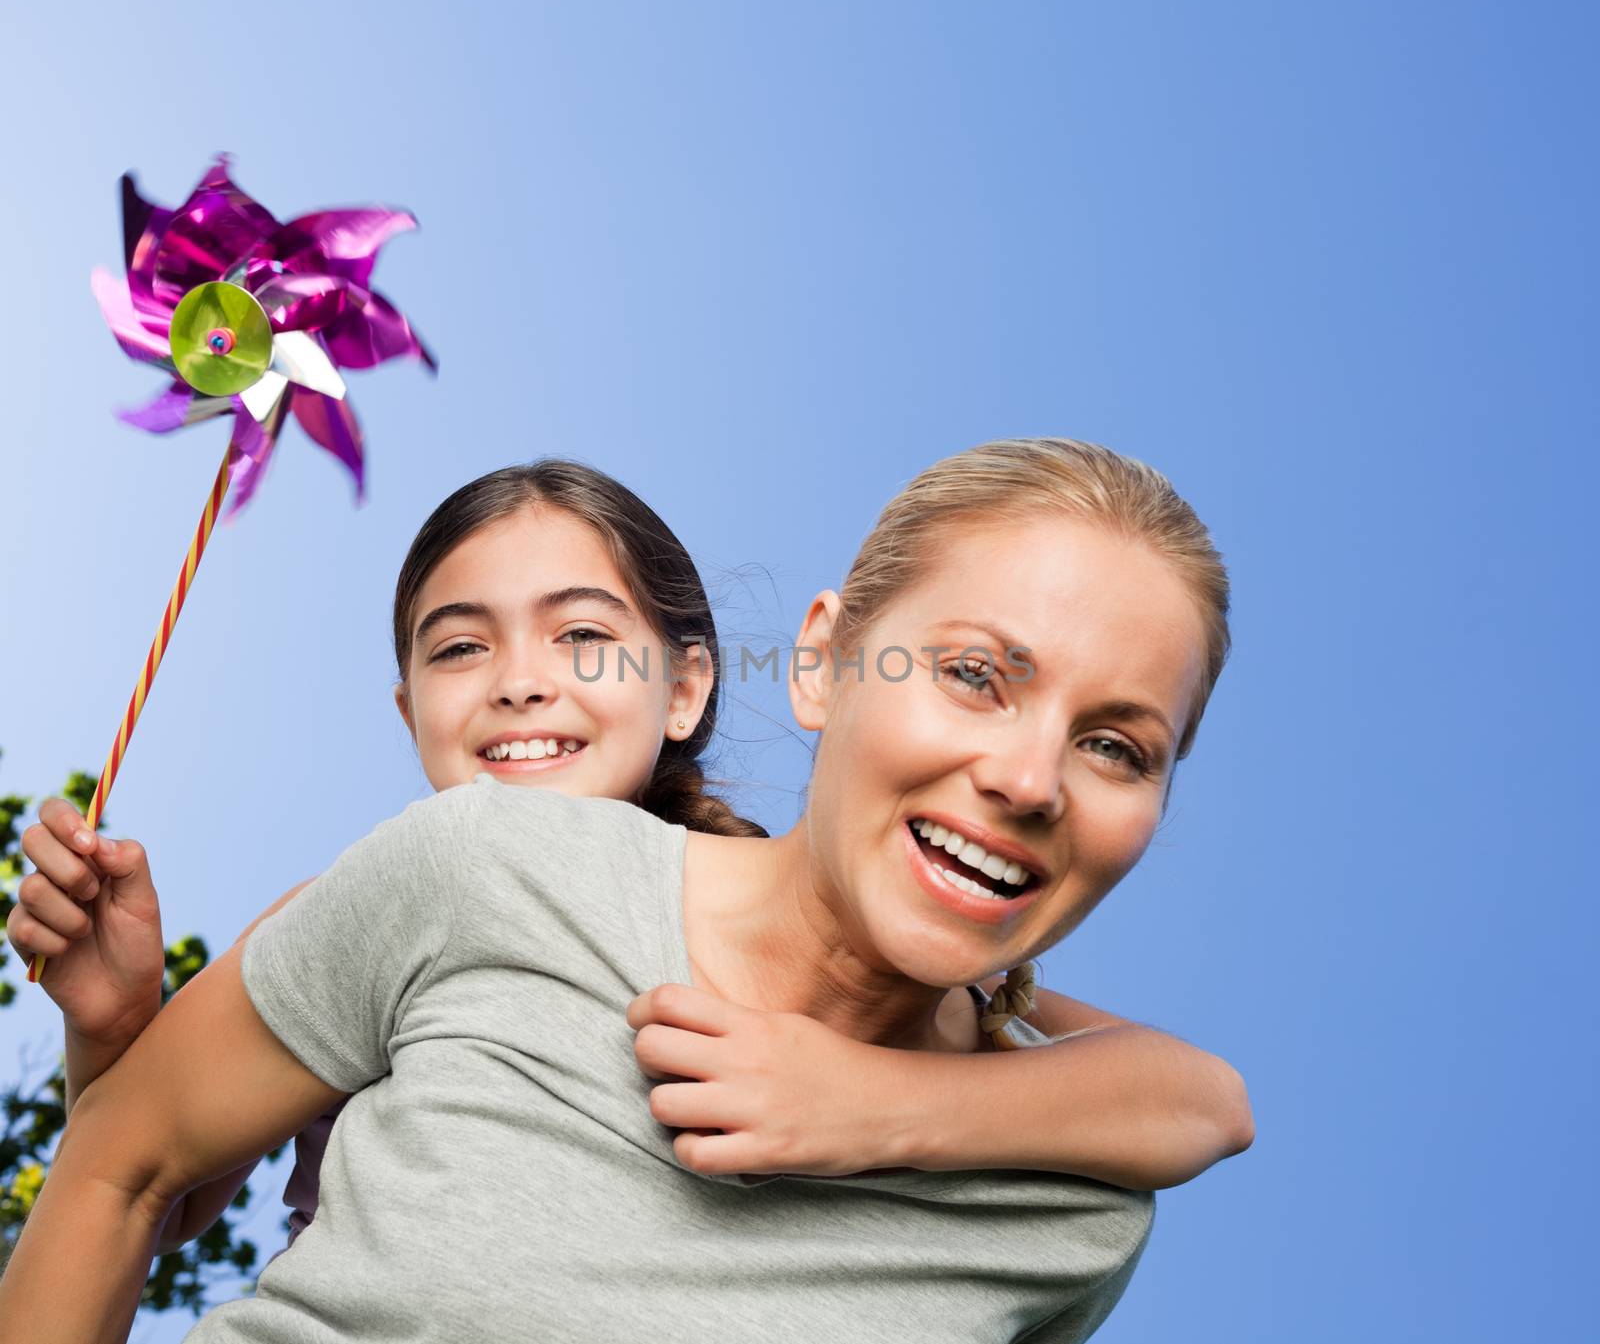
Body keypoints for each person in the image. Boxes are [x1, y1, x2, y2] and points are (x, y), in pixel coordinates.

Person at [1, 439, 1249, 1342]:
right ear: (818, 663)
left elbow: (1201, 1098)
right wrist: (111, 1033)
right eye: (975, 675)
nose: (1030, 776)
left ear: (689, 687)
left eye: (1116, 745)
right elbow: (135, 1171)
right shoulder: (473, 869)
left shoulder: (1071, 1205)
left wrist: (876, 1102)